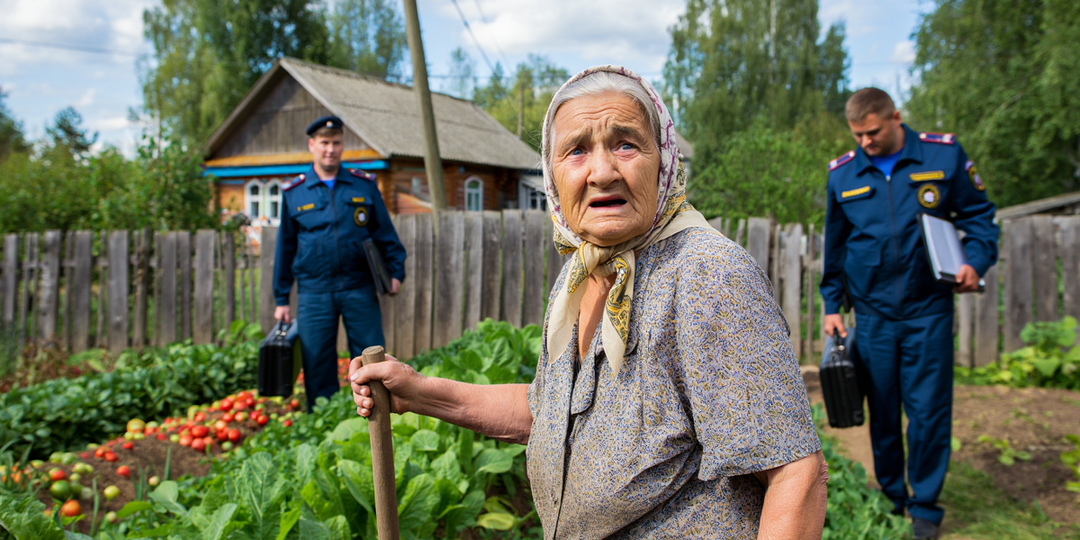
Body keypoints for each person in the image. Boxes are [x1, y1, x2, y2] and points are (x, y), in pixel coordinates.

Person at [349, 66, 827, 539]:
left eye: (625, 144)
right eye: (576, 151)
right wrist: (420, 392)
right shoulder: (581, 276)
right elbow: (549, 415)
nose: (602, 172)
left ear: (663, 160)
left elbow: (796, 476)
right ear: (551, 177)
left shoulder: (705, 273)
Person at [820, 88, 998, 539]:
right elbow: (835, 245)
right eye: (858, 135)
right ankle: (891, 496)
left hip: (928, 310)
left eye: (873, 132)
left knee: (928, 412)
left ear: (896, 118)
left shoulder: (943, 155)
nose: (866, 143)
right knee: (882, 411)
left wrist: (974, 262)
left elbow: (979, 218)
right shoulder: (843, 175)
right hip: (873, 315)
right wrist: (831, 306)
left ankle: (924, 509)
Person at [274, 115, 406, 410]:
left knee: (370, 355)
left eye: (335, 143)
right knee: (316, 358)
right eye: (324, 143)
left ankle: (374, 413)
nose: (330, 149)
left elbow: (385, 234)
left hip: (359, 288)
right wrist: (281, 298)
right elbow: (285, 248)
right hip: (314, 292)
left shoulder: (363, 186)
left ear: (342, 145)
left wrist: (396, 272)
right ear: (312, 145)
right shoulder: (295, 193)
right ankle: (323, 417)